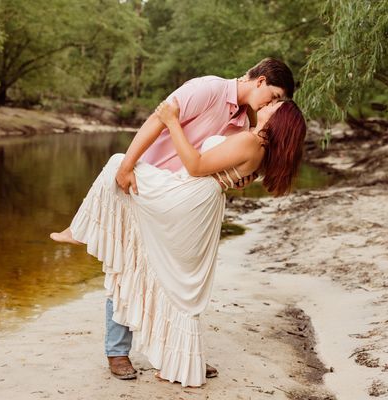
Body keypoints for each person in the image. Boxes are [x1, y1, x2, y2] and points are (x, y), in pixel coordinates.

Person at [52, 57, 295, 382]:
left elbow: (221, 165)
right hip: (153, 183)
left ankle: (176, 353)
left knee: (172, 281)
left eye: (278, 102)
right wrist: (129, 166)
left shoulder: (244, 124)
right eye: (275, 96)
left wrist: (238, 178)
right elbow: (158, 120)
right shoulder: (207, 88)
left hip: (184, 201)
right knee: (130, 263)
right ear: (261, 81)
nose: (273, 104)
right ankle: (118, 351)